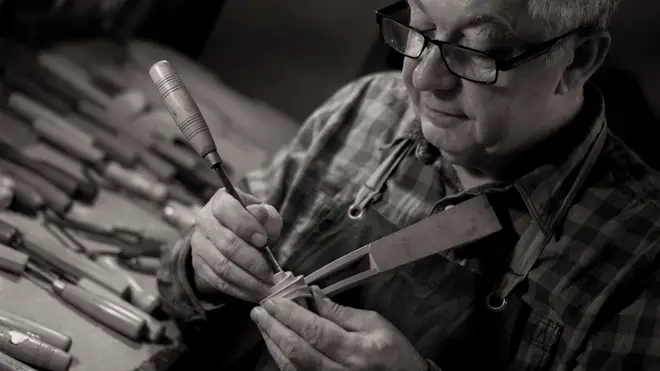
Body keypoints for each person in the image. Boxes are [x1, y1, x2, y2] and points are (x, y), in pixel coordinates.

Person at [156, 0, 660, 370]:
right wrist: (204, 269)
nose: (422, 79)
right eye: (418, 27)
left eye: (476, 51)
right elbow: (177, 302)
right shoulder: (367, 111)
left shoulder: (640, 254)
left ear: (576, 60)